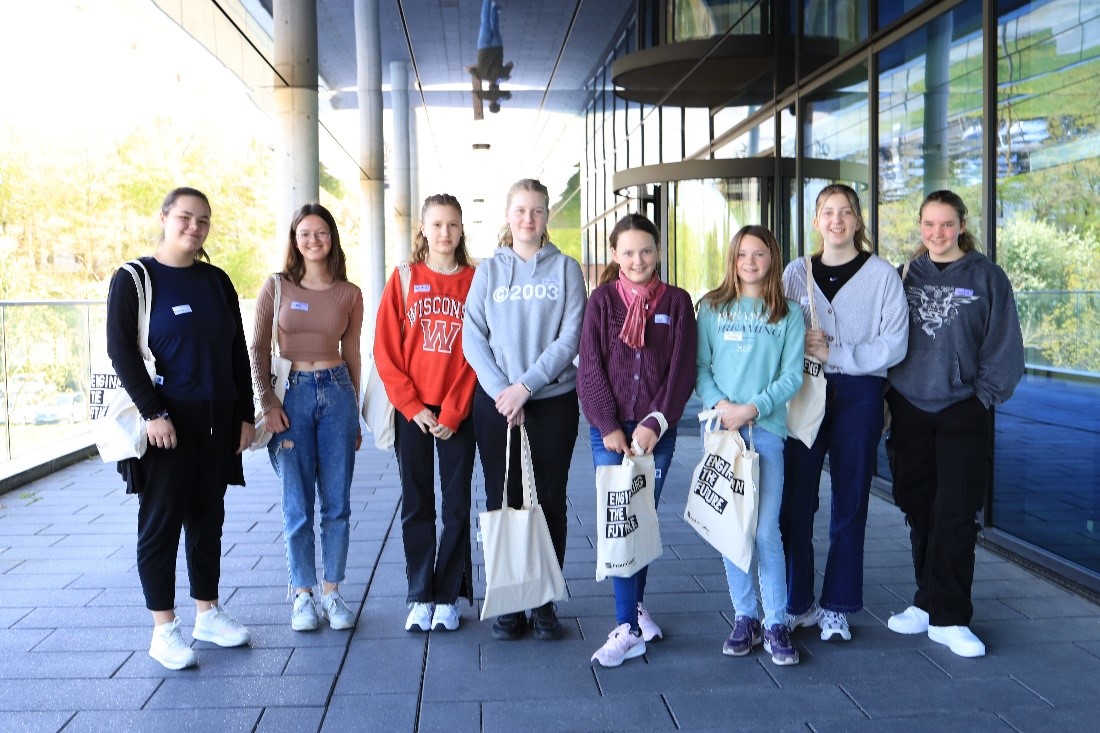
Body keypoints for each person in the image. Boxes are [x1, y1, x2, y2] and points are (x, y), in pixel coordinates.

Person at [106, 187, 255, 670]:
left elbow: (237, 351)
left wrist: (246, 415)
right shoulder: (134, 278)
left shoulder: (216, 280)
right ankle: (163, 630)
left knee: (208, 519)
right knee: (161, 523)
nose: (194, 227)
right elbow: (122, 352)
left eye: (203, 220)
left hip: (217, 417)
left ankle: (207, 614)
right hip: (166, 422)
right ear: (165, 217)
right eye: (186, 217)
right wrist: (153, 413)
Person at [885, 190, 1023, 658]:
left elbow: (1005, 346)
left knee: (956, 514)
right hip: (909, 407)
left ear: (962, 225)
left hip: (963, 409)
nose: (937, 234)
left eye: (946, 224)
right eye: (929, 225)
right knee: (917, 506)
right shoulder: (904, 275)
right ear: (920, 227)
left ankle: (950, 617)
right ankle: (927, 602)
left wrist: (982, 397)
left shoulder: (987, 277)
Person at [779, 183, 909, 643]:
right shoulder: (795, 274)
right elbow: (778, 333)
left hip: (860, 394)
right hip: (804, 391)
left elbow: (893, 345)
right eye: (828, 212)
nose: (837, 220)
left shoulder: (882, 277)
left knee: (850, 502)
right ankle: (798, 603)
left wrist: (836, 352)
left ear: (858, 221)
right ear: (816, 222)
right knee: (795, 502)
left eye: (846, 212)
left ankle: (837, 605)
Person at [463, 177, 586, 641]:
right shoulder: (488, 272)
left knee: (548, 501)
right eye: (520, 210)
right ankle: (510, 600)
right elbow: (472, 337)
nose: (528, 219)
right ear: (508, 215)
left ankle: (543, 601)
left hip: (551, 404)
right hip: (497, 405)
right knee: (504, 499)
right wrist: (504, 392)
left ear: (547, 216)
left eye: (536, 210)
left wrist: (526, 388)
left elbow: (570, 337)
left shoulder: (567, 269)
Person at [578, 213, 696, 667]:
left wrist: (654, 422)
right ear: (614, 255)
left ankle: (632, 615)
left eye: (645, 250)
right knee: (620, 522)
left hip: (654, 434)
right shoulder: (602, 302)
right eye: (627, 252)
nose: (637, 259)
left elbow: (681, 373)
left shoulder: (679, 303)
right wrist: (609, 426)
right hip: (607, 435)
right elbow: (590, 369)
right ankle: (628, 625)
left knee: (638, 519)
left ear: (658, 251)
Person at [251, 203, 364, 633]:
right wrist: (268, 403)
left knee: (337, 504)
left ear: (332, 238)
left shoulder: (349, 293)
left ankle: (333, 593)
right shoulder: (277, 287)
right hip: (291, 396)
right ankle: (302, 595)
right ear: (294, 241)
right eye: (304, 234)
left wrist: (354, 415)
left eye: (320, 233)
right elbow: (258, 347)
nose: (313, 241)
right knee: (297, 504)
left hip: (336, 392)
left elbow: (352, 353)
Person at [695, 225, 804, 666]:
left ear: (772, 259)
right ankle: (746, 616)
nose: (751, 262)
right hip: (722, 433)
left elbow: (792, 376)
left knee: (764, 531)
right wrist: (723, 407)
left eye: (759, 254)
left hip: (767, 432)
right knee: (732, 529)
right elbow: (700, 369)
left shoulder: (788, 313)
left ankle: (777, 621)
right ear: (732, 259)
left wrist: (752, 410)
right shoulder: (711, 308)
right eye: (743, 254)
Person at [374, 194, 478, 633]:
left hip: (460, 410)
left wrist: (453, 410)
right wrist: (412, 407)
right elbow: (385, 350)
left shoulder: (476, 281)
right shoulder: (403, 279)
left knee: (456, 505)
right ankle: (420, 594)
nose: (445, 233)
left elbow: (479, 353)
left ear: (461, 229)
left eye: (452, 225)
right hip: (412, 411)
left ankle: (448, 595)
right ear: (422, 228)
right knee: (417, 503)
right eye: (436, 224)